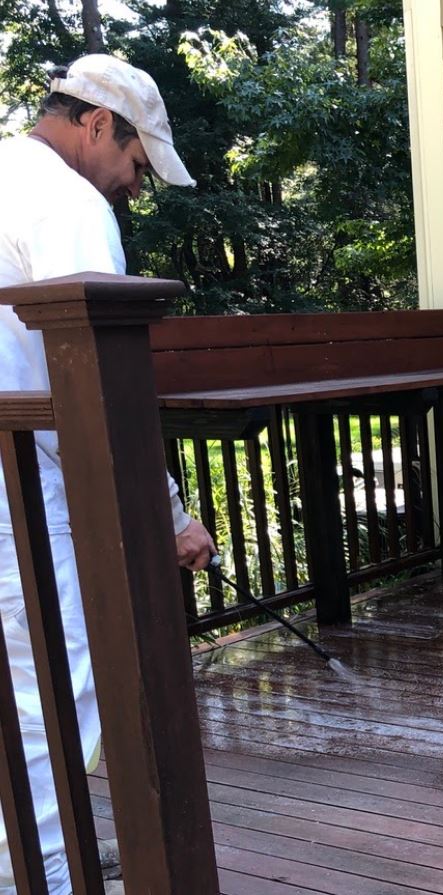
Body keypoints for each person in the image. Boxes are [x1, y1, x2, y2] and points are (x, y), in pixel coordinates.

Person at [0, 54, 215, 894]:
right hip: (32, 494)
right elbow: (93, 387)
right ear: (96, 124)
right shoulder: (68, 205)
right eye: (135, 163)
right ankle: (41, 870)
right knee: (58, 682)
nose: (136, 185)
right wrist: (168, 517)